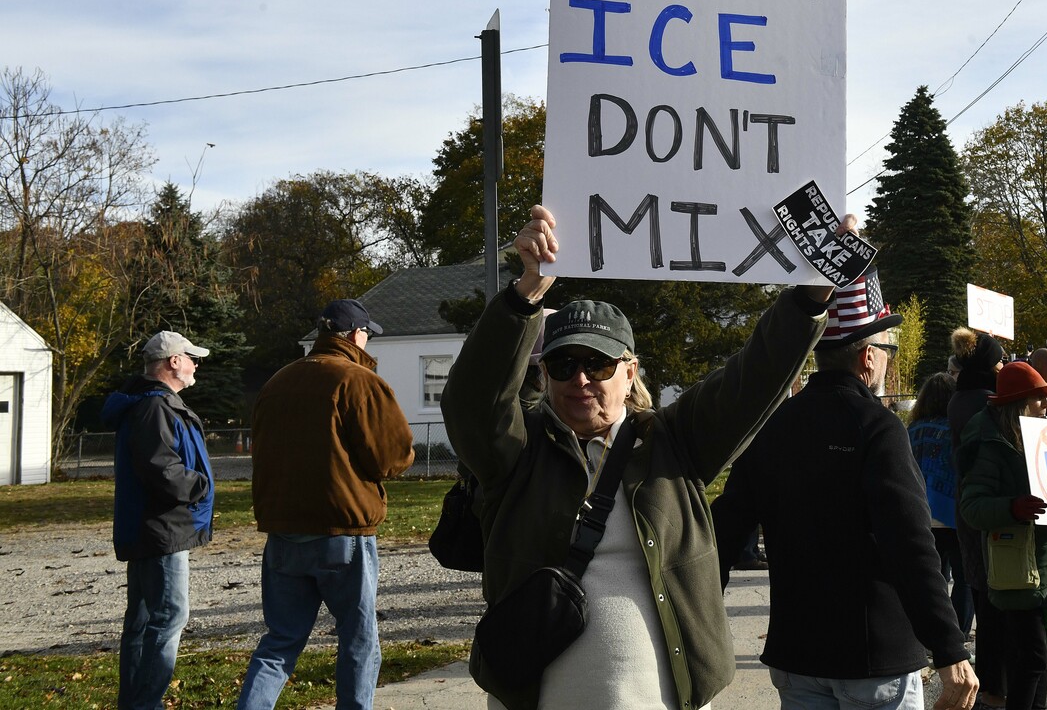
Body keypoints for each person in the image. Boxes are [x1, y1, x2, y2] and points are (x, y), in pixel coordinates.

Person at [442, 205, 833, 710]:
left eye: (598, 364)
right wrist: (526, 296)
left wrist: (810, 296)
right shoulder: (516, 453)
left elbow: (752, 377)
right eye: (562, 364)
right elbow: (472, 402)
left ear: (630, 373)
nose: (580, 379)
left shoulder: (674, 443)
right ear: (543, 376)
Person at [712, 285, 978, 710]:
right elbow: (909, 544)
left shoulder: (776, 425)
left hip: (797, 651)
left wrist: (697, 624)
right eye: (887, 346)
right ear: (867, 358)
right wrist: (949, 647)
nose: (889, 355)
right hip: (873, 656)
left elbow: (723, 530)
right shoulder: (878, 426)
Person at [238, 299, 415, 710]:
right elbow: (390, 456)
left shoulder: (277, 382)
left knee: (280, 640)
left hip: (283, 531)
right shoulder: (357, 380)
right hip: (343, 530)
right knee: (358, 636)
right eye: (367, 333)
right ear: (354, 335)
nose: (368, 341)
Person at [103, 331, 215, 710]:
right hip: (161, 530)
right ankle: (144, 703)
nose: (196, 364)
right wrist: (200, 485)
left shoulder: (152, 403)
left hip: (151, 529)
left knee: (143, 620)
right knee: (169, 616)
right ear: (173, 362)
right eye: (191, 357)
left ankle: (134, 702)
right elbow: (162, 471)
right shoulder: (154, 407)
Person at [957, 362, 1047, 710]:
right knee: (1033, 659)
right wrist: (1012, 508)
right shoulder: (993, 445)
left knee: (1041, 657)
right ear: (1018, 403)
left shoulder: (1040, 439)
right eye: (1038, 398)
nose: (1046, 405)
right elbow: (973, 508)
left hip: (1045, 562)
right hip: (1019, 570)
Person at [947, 328, 1008, 709]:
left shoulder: (960, 398)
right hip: (990, 509)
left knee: (984, 595)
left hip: (967, 509)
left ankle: (991, 684)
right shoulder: (987, 402)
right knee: (997, 596)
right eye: (999, 360)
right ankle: (995, 687)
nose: (1003, 365)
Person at [907, 372, 972, 639]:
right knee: (965, 578)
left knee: (933, 580)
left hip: (921, 513)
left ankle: (933, 634)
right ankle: (959, 635)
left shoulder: (911, 430)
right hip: (954, 513)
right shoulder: (958, 429)